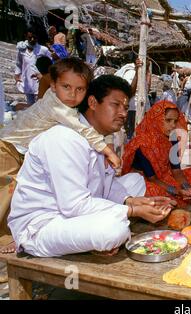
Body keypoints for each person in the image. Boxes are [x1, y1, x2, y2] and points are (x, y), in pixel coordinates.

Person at [7, 74, 175, 257]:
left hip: (75, 209)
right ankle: (90, 237)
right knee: (113, 230)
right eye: (116, 105)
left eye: (126, 107)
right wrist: (132, 211)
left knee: (135, 181)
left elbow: (108, 184)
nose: (123, 113)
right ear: (93, 103)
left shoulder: (96, 140)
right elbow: (74, 205)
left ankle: (93, 234)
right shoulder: (65, 138)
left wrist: (130, 201)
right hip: (44, 223)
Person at [0, 58, 120, 253]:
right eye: (66, 87)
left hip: (23, 146)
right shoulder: (57, 106)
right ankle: (5, 239)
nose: (72, 95)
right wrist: (107, 150)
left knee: (19, 188)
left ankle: (13, 236)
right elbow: (83, 129)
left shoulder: (62, 102)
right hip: (8, 144)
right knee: (6, 193)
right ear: (54, 85)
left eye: (80, 89)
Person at [122, 101, 191, 207]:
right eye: (168, 120)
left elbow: (176, 171)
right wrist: (178, 191)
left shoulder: (172, 138)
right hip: (145, 182)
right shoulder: (142, 143)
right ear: (156, 119)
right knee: (158, 194)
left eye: (175, 121)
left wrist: (187, 188)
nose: (173, 125)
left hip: (166, 177)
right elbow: (152, 179)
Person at [14, 29, 52, 105]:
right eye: (30, 37)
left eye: (34, 38)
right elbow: (19, 63)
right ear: (26, 36)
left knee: (41, 102)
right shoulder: (22, 49)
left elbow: (51, 63)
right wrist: (17, 75)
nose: (32, 39)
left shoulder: (43, 49)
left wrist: (44, 75)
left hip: (40, 80)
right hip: (27, 79)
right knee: (30, 104)